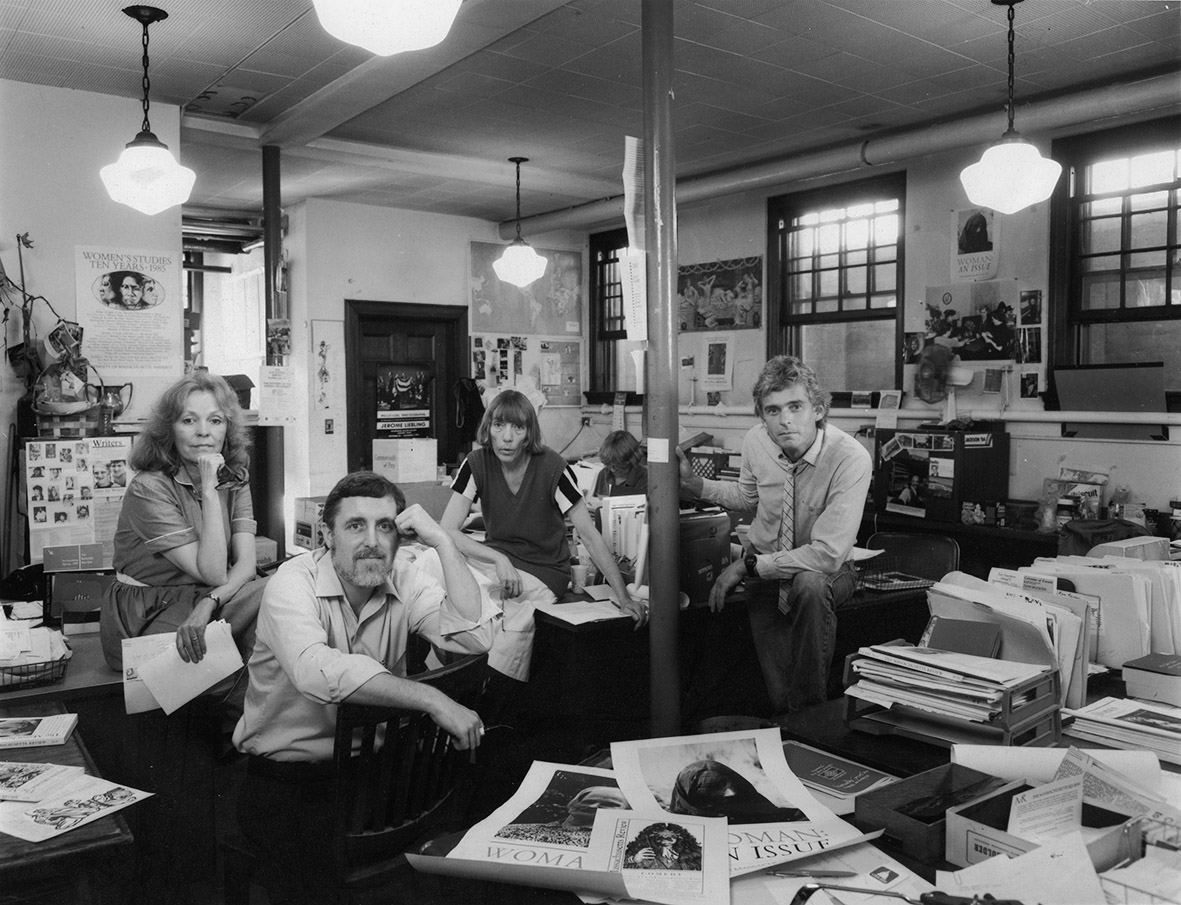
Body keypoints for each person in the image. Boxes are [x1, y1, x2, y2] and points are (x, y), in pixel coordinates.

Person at [231, 470, 491, 903]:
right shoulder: (291, 584)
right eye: (355, 526)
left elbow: (475, 638)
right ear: (326, 535)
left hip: (375, 780)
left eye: (385, 526)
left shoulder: (403, 576)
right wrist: (430, 697)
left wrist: (444, 540)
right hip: (289, 783)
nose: (372, 540)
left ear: (400, 536)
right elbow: (317, 671)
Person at [677, 355, 872, 714]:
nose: (784, 420)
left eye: (795, 407)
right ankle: (788, 731)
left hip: (829, 572)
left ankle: (812, 726)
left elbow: (828, 554)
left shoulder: (850, 458)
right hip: (765, 574)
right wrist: (694, 485)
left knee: (809, 585)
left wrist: (748, 567)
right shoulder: (756, 441)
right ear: (762, 416)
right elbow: (748, 497)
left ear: (818, 409)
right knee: (779, 693)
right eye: (772, 410)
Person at [441, 390, 646, 699]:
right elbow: (447, 530)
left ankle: (488, 693)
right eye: (499, 426)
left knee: (477, 599)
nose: (507, 437)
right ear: (489, 428)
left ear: (528, 433)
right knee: (432, 570)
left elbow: (589, 534)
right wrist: (497, 558)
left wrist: (623, 597)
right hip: (499, 565)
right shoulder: (476, 462)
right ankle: (452, 684)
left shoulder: (552, 467)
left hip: (543, 571)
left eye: (517, 428)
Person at [99, 371, 267, 708]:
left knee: (282, 595)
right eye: (189, 420)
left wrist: (210, 603)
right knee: (269, 612)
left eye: (215, 420)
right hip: (145, 608)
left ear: (227, 428)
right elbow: (214, 571)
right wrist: (208, 488)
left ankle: (246, 732)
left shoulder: (235, 475)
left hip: (203, 598)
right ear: (168, 430)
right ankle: (237, 733)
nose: (204, 432)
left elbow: (246, 564)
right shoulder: (148, 487)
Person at [669, 759, 805, 823]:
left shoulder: (728, 778)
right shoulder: (682, 801)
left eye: (722, 789)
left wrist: (775, 814)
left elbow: (752, 797)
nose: (722, 794)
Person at [595, 430, 648, 497]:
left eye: (618, 466)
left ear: (631, 461)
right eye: (608, 465)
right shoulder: (603, 474)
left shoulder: (645, 478)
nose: (613, 470)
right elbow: (597, 502)